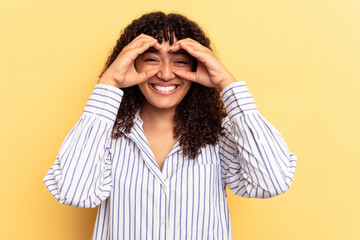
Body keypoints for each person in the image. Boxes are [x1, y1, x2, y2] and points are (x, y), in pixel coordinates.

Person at [43, 11, 297, 240]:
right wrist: (109, 83)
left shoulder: (221, 135)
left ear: (198, 66)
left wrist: (227, 84)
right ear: (132, 63)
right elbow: (74, 192)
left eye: (180, 61)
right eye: (152, 59)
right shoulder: (105, 134)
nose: (165, 74)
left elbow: (271, 181)